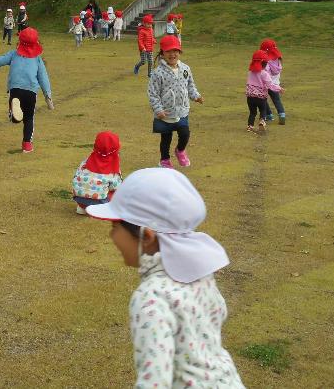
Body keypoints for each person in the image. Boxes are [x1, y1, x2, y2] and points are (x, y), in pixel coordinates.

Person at [85, 168, 245, 389]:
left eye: (115, 227)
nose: (112, 236)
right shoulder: (199, 274)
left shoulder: (151, 297)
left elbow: (154, 380)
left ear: (147, 236)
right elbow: (219, 312)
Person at [0, 27, 53, 153]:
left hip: (15, 89)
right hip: (31, 91)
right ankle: (27, 144)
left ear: (20, 41)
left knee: (16, 118)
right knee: (29, 118)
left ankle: (15, 116)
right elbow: (43, 77)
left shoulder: (13, 54)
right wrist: (48, 97)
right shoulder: (37, 59)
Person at [148, 35, 204, 168]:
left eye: (175, 51)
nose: (172, 54)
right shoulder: (157, 73)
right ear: (162, 53)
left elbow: (190, 85)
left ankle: (180, 150)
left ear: (179, 52)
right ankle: (165, 160)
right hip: (165, 113)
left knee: (185, 134)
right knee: (166, 139)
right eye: (168, 51)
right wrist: (158, 110)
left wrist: (196, 96)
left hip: (182, 110)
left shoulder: (185, 68)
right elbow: (153, 93)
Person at [71, 131, 122, 215]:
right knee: (117, 192)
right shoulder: (113, 168)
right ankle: (101, 210)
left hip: (79, 199)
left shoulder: (85, 162)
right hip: (99, 203)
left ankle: (82, 208)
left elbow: (76, 176)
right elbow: (116, 187)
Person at [246, 49, 284, 133]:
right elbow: (270, 85)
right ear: (265, 63)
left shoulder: (250, 72)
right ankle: (262, 122)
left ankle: (250, 126)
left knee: (252, 112)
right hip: (261, 97)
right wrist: (279, 88)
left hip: (250, 97)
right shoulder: (264, 74)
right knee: (263, 110)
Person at [260, 38, 286, 124]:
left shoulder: (266, 62)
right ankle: (282, 114)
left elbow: (264, 74)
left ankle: (269, 115)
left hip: (267, 85)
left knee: (263, 99)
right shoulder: (278, 60)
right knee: (276, 100)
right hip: (276, 84)